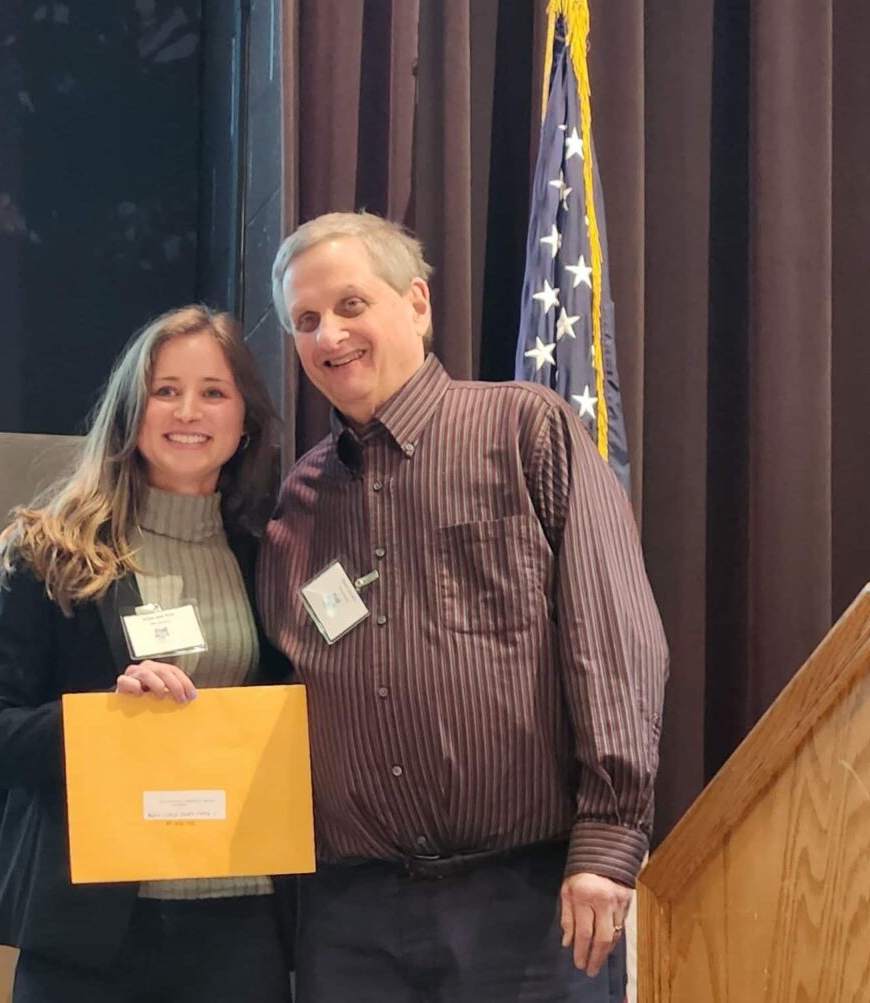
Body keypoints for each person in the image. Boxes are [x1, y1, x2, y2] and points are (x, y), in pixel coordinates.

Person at [257, 212, 669, 1003]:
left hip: (527, 903)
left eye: (349, 305)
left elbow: (616, 639)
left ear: (416, 303)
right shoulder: (298, 500)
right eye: (305, 320)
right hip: (353, 918)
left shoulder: (526, 430)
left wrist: (608, 842)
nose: (328, 335)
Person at [0, 305, 292, 1003]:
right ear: (131, 409)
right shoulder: (53, 555)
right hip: (91, 931)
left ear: (245, 418)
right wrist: (105, 721)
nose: (187, 411)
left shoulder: (271, 557)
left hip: (240, 919)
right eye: (165, 389)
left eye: (213, 391)